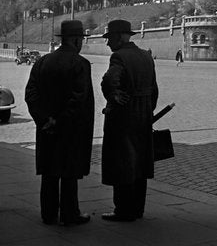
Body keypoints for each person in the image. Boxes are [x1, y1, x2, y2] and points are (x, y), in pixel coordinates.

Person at [25, 20, 94, 226]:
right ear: (75, 40)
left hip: (46, 128)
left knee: (49, 171)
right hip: (71, 129)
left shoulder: (42, 62)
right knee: (69, 172)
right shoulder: (80, 64)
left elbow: (31, 94)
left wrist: (44, 119)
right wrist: (60, 120)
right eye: (81, 39)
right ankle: (69, 213)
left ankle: (48, 213)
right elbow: (78, 99)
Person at [101, 19, 158, 222]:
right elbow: (154, 90)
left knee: (122, 162)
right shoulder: (146, 56)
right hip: (143, 116)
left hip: (123, 117)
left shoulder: (119, 57)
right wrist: (147, 110)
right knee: (140, 163)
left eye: (109, 39)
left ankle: (123, 210)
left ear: (118, 37)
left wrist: (113, 96)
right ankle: (137, 208)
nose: (108, 44)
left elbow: (109, 81)